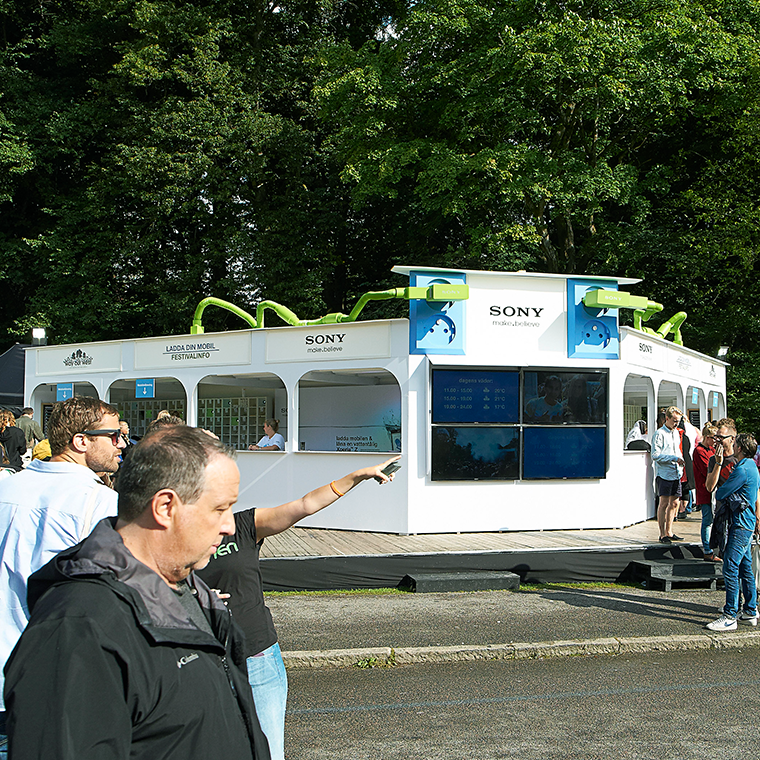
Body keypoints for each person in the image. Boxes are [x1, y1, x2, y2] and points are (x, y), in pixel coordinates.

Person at [4, 426, 271, 760]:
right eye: (220, 508)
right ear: (165, 507)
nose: (230, 526)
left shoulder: (192, 593)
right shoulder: (79, 628)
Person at [198, 455, 399, 760]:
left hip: (257, 659)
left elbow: (305, 505)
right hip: (203, 662)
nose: (225, 513)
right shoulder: (176, 541)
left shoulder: (242, 526)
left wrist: (358, 476)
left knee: (267, 753)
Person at [0, 396, 125, 755]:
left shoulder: (8, 487)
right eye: (113, 435)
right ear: (81, 441)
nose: (121, 443)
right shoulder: (102, 504)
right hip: (47, 681)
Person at [705, 433, 760, 631]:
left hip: (739, 524)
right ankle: (750, 610)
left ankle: (730, 615)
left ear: (739, 448)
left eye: (734, 443)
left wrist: (719, 465)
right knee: (745, 567)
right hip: (748, 522)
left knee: (730, 566)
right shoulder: (752, 466)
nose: (732, 445)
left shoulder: (742, 470)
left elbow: (719, 492)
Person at [651, 406, 685, 543]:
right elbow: (655, 455)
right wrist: (673, 458)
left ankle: (669, 531)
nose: (676, 424)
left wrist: (680, 462)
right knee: (664, 503)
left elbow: (677, 451)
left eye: (678, 421)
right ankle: (662, 534)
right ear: (667, 419)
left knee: (675, 502)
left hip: (676, 473)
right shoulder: (659, 434)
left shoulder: (676, 433)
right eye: (674, 421)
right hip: (664, 473)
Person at [693, 423, 718, 561]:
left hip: (713, 491)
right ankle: (707, 550)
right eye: (714, 438)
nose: (715, 442)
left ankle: (714, 547)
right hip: (704, 490)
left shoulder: (712, 451)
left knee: (713, 520)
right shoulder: (699, 451)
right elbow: (708, 469)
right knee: (707, 520)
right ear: (707, 437)